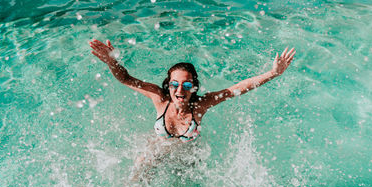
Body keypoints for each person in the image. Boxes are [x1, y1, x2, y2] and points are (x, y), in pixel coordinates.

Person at [89, 39, 295, 143]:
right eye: (175, 84)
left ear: (193, 87)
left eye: (187, 85)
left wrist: (273, 73)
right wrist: (111, 61)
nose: (180, 90)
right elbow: (126, 79)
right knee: (134, 184)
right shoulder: (160, 99)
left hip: (187, 163)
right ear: (168, 85)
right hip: (156, 151)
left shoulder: (201, 105)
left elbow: (237, 89)